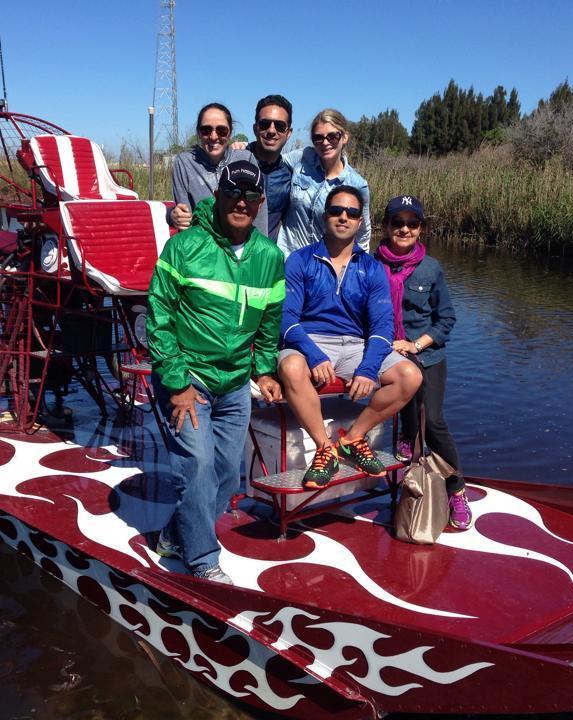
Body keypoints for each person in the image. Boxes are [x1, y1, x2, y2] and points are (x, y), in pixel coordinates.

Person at [146, 160, 285, 584]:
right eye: (232, 193)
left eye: (249, 195)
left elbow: (268, 323)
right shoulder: (184, 247)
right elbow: (158, 318)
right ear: (219, 196)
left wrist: (263, 371)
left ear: (261, 202)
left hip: (235, 383)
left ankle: (174, 534)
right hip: (189, 379)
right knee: (198, 466)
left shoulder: (269, 257)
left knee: (227, 475)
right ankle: (203, 560)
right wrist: (177, 384)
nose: (240, 201)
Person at [278, 186, 422, 489]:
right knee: (291, 367)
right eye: (336, 211)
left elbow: (382, 326)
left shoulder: (371, 268)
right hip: (308, 341)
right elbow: (287, 320)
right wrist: (314, 355)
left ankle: (353, 438)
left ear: (360, 222)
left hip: (355, 345)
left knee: (410, 376)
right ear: (324, 217)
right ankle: (324, 448)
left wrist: (369, 368)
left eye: (352, 213)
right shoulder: (299, 261)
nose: (343, 217)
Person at [375, 195, 471, 530]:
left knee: (435, 425)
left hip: (427, 356)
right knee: (405, 426)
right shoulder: (372, 264)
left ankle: (456, 489)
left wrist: (414, 344)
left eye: (411, 223)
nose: (404, 229)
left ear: (420, 228)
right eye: (397, 222)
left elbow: (445, 320)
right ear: (385, 226)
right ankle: (408, 456)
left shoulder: (431, 268)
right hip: (388, 356)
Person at [276, 109, 371, 257]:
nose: (325, 143)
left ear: (344, 137)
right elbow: (272, 159)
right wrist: (245, 149)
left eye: (332, 136)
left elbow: (363, 234)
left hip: (323, 265)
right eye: (318, 138)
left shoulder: (357, 184)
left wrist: (357, 268)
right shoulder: (303, 157)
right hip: (287, 257)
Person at [169, 102, 268, 235]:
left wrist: (260, 247)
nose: (214, 137)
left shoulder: (246, 158)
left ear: (230, 132)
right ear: (198, 132)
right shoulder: (184, 163)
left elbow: (258, 209)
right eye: (206, 130)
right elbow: (184, 218)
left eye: (221, 130)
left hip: (240, 244)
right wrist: (172, 215)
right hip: (203, 245)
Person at [246, 94, 294, 241]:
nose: (272, 130)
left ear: (289, 133)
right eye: (265, 124)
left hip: (267, 259)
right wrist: (172, 213)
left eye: (280, 126)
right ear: (255, 128)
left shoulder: (291, 176)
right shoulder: (234, 163)